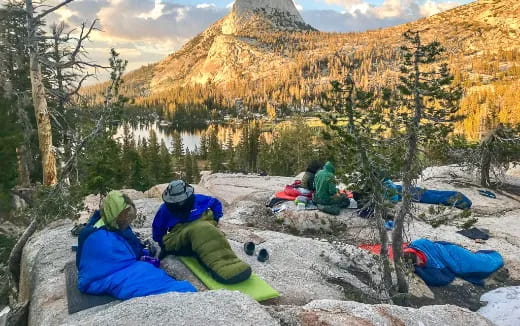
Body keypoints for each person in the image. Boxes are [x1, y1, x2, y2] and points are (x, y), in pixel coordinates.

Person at [76, 191, 196, 300]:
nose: (126, 219)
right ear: (116, 213)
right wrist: (144, 254)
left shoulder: (97, 227)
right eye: (124, 215)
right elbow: (133, 252)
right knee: (145, 275)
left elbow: (79, 262)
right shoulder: (100, 234)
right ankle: (181, 292)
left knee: (147, 270)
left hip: (112, 270)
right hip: (104, 276)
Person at [153, 180, 251, 284]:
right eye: (176, 201)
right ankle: (221, 268)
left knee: (206, 230)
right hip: (182, 235)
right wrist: (163, 246)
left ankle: (227, 263)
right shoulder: (164, 210)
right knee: (200, 229)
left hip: (202, 228)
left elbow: (215, 203)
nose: (179, 204)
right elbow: (158, 230)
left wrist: (215, 219)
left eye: (181, 201)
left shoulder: (198, 199)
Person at [403, 238, 503, 286]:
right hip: (449, 253)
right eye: (418, 263)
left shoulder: (417, 245)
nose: (420, 263)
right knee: (476, 265)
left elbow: (443, 278)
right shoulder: (427, 264)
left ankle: (494, 256)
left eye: (419, 261)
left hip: (450, 251)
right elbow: (440, 279)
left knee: (480, 264)